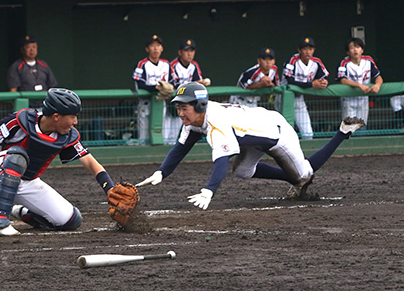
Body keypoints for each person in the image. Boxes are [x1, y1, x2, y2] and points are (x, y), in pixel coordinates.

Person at [135, 82, 366, 203]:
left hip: (277, 134)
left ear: (200, 106)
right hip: (251, 135)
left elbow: (221, 161)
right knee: (243, 171)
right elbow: (181, 148)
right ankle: (293, 178)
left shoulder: (216, 121)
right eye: (178, 108)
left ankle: (342, 132)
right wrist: (161, 172)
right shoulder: (196, 120)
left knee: (304, 175)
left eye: (184, 108)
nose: (180, 113)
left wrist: (209, 191)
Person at [0, 88, 121, 236]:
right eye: (72, 116)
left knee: (70, 220)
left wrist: (110, 189)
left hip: (25, 180)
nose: (76, 122)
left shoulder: (67, 136)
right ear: (56, 116)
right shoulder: (22, 120)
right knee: (18, 156)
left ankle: (20, 212)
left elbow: (91, 163)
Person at [282, 37, 330, 139]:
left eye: (311, 49)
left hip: (299, 99)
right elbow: (290, 81)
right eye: (305, 49)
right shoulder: (292, 60)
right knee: (284, 135)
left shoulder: (316, 62)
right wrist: (311, 85)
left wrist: (324, 81)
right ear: (299, 50)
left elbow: (323, 76)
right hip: (283, 100)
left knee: (308, 134)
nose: (308, 52)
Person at [133, 34, 172, 143]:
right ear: (147, 49)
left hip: (161, 103)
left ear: (162, 48)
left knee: (162, 135)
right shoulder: (142, 64)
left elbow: (173, 81)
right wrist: (156, 88)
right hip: (146, 104)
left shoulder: (166, 64)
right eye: (152, 45)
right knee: (144, 137)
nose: (156, 48)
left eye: (158, 45)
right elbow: (140, 84)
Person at [337, 37, 383, 126]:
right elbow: (342, 80)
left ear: (362, 50)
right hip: (349, 99)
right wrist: (359, 85)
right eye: (352, 47)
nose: (355, 50)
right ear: (347, 52)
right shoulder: (344, 63)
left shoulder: (368, 60)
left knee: (362, 126)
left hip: (363, 99)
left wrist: (377, 85)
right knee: (348, 128)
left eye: (358, 47)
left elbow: (378, 76)